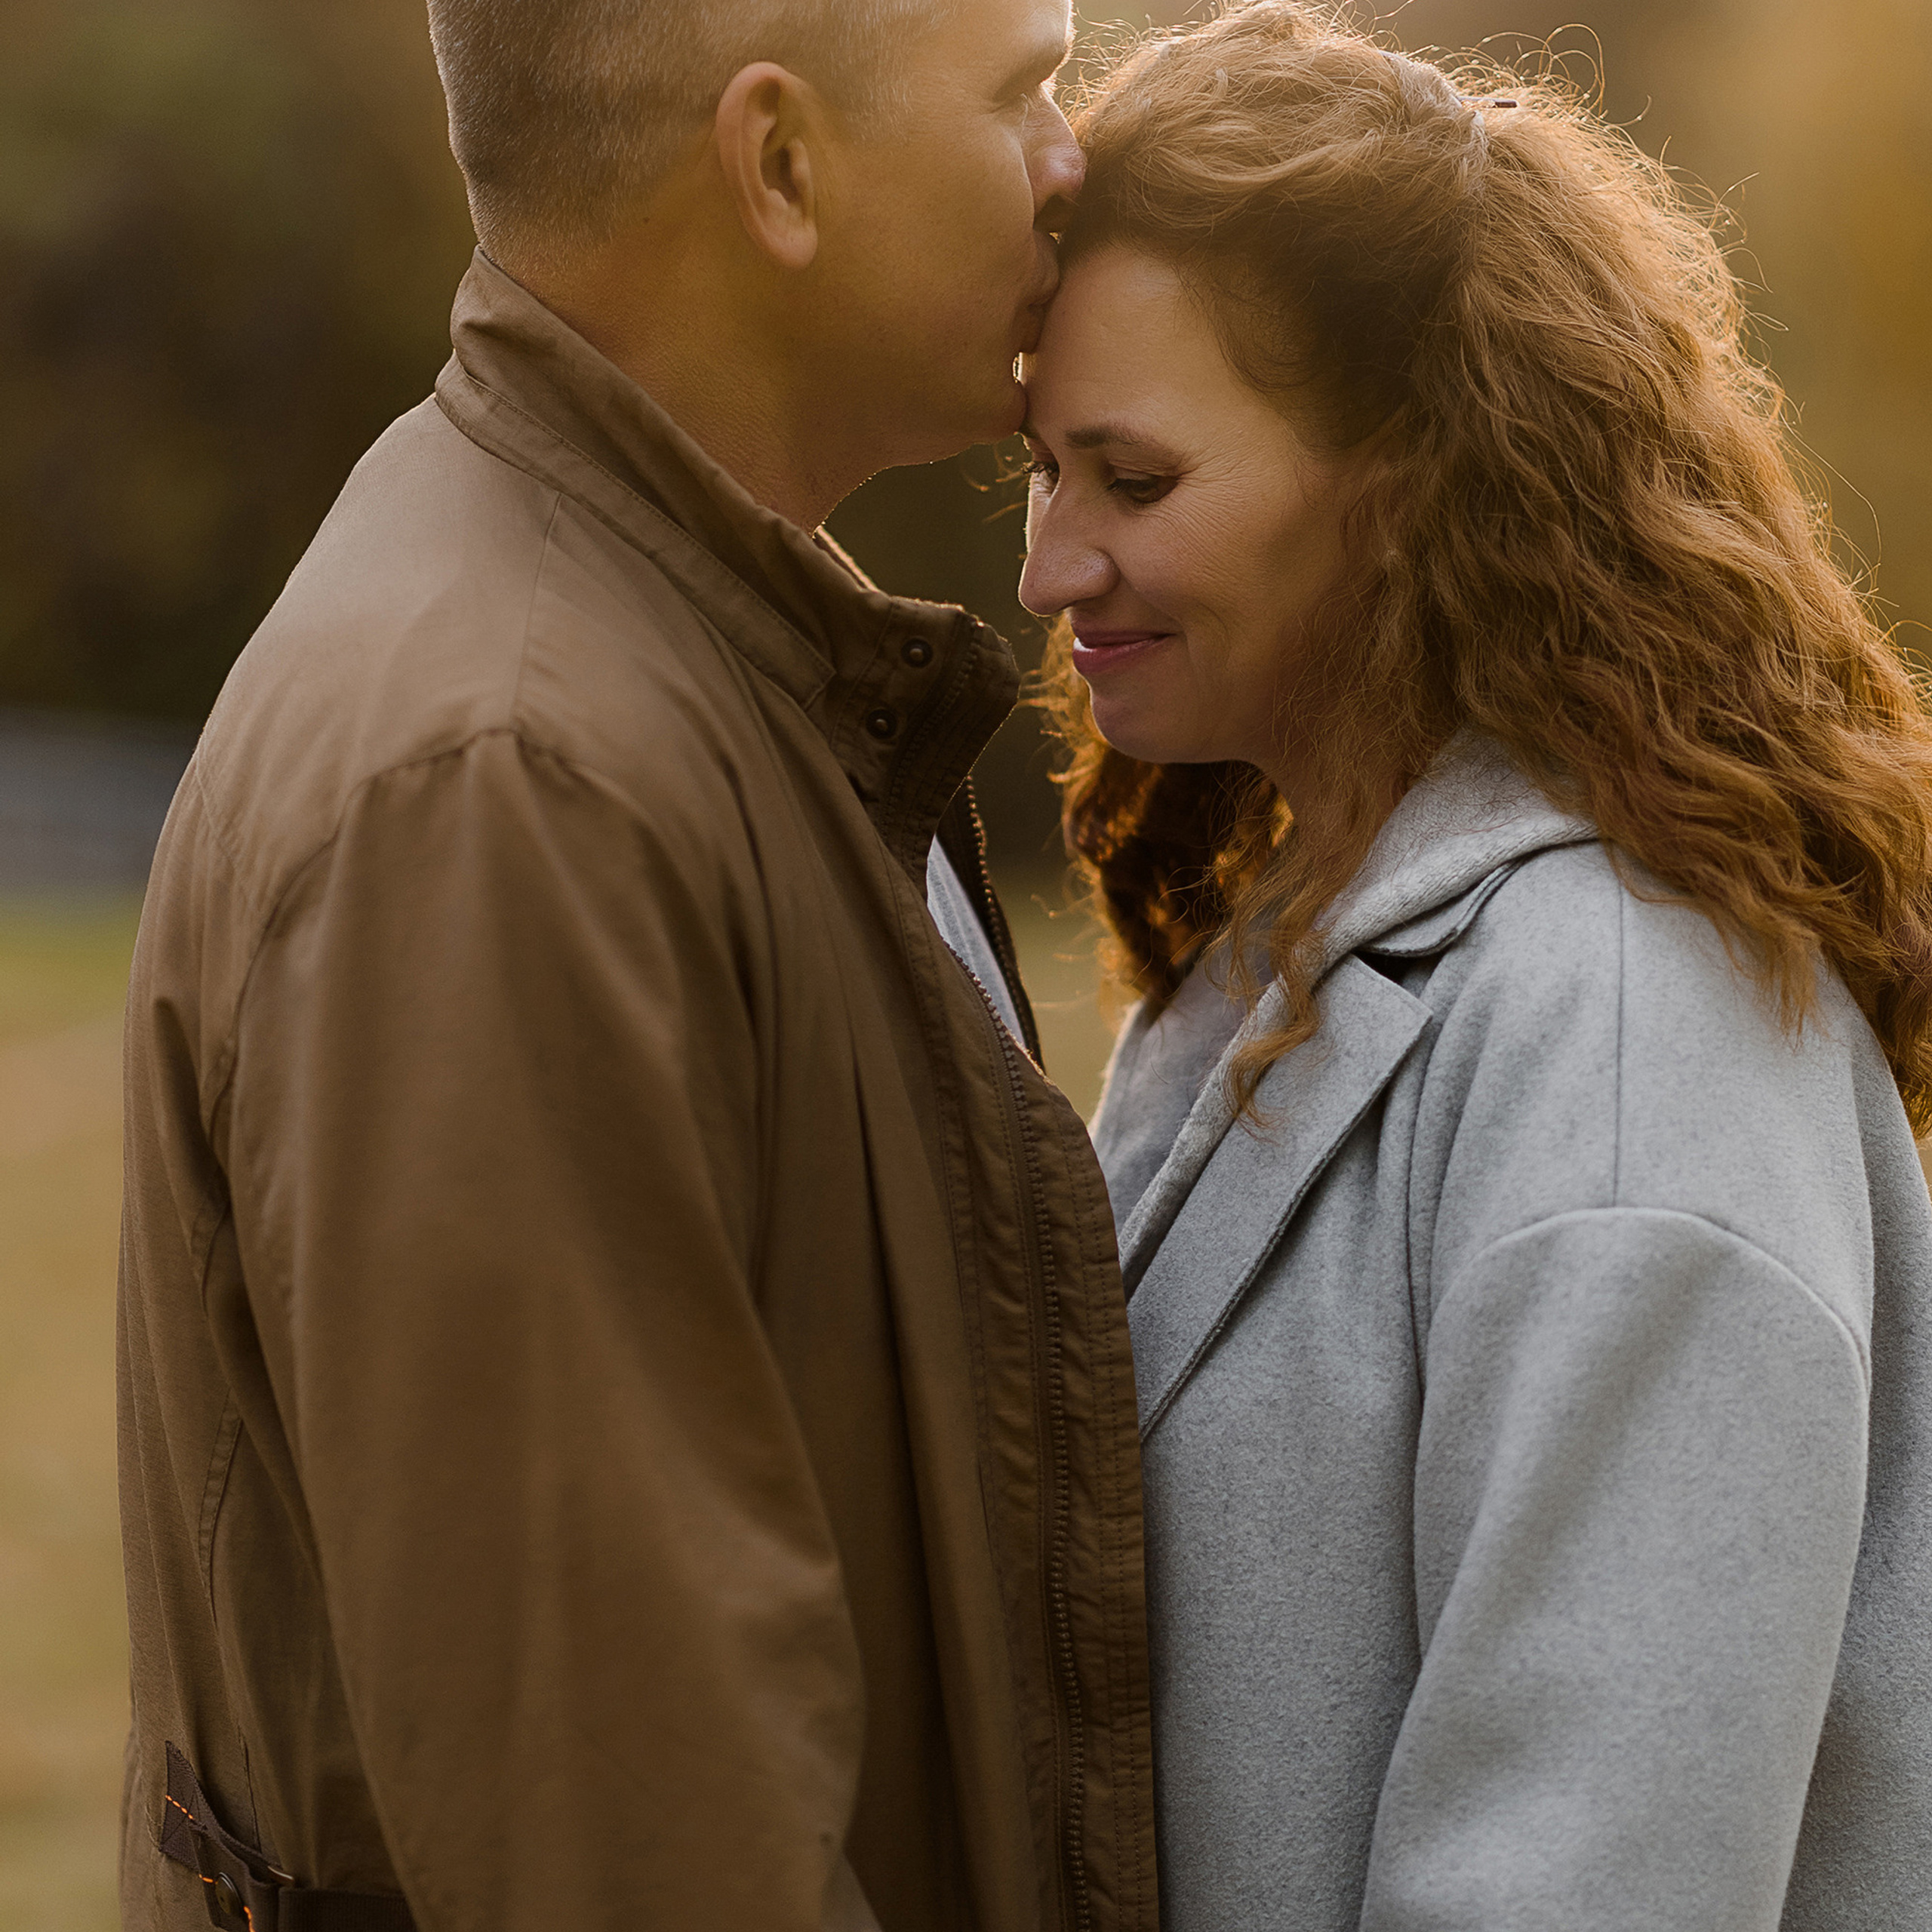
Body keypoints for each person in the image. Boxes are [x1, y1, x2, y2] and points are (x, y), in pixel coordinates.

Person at [115, 3, 1159, 1928]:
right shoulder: (505, 791)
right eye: (1023, 87)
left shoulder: (672, 674)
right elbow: (638, 1850)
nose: (1070, 151)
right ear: (777, 168)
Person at [1018, 5, 1932, 1928]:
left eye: (1133, 478)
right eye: (1043, 471)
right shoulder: (1281, 946)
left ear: (1407, 474)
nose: (1046, 567)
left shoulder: (1625, 1046)